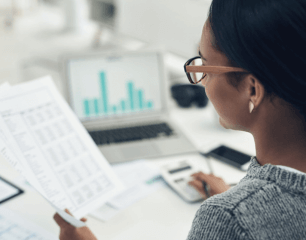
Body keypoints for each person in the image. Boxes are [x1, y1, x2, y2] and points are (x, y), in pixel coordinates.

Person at [53, 0, 306, 238]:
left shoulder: (228, 218)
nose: (202, 81)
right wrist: (242, 200)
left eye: (205, 68)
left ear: (252, 89)